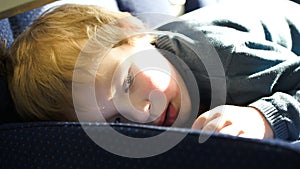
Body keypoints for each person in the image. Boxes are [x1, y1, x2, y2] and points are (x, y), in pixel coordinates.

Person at [2, 1, 300, 141]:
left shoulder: (223, 57)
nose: (142, 114)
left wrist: (265, 117)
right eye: (116, 119)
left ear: (132, 31)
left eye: (128, 82)